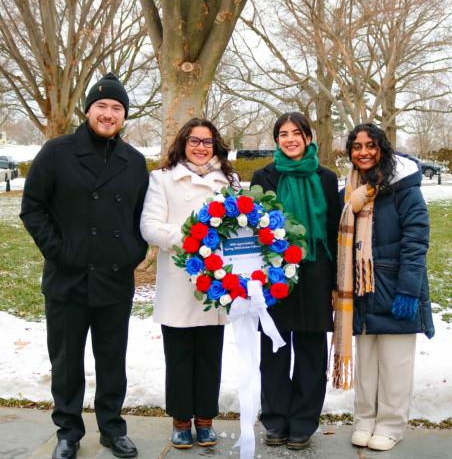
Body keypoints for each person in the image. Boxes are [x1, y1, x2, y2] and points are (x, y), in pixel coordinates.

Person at [20, 73, 149, 459]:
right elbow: (33, 209)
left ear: (124, 116)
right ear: (88, 110)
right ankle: (68, 432)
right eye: (102, 106)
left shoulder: (134, 162)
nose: (108, 114)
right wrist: (59, 251)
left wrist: (131, 252)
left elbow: (142, 217)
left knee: (112, 360)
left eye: (116, 108)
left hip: (114, 278)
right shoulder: (56, 152)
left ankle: (112, 428)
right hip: (67, 278)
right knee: (67, 362)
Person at [332, 123, 435, 451]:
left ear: (383, 148)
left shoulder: (404, 186)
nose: (363, 152)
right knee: (367, 361)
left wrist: (408, 290)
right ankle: (365, 419)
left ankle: (391, 424)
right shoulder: (349, 191)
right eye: (357, 146)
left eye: (370, 145)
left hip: (394, 285)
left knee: (394, 362)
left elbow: (416, 239)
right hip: (361, 288)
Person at [139, 118, 238, 450]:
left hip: (216, 281)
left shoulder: (229, 180)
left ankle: (206, 419)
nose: (200, 147)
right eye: (194, 141)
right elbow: (149, 225)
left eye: (207, 142)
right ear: (182, 144)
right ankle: (181, 420)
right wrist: (189, 238)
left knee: (211, 354)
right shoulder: (163, 179)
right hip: (180, 279)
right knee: (179, 355)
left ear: (216, 146)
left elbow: (240, 225)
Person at [250, 112, 340, 450]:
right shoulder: (265, 175)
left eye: (296, 133)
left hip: (316, 271)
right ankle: (275, 420)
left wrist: (334, 282)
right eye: (283, 134)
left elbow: (331, 230)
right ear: (276, 140)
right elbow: (257, 228)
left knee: (310, 351)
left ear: (308, 137)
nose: (290, 139)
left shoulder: (326, 178)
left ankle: (303, 422)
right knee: (274, 347)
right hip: (275, 272)